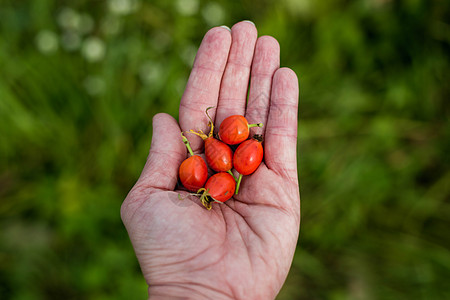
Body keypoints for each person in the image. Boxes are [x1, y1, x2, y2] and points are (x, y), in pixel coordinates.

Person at [120, 21, 300, 299]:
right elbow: (225, 167)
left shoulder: (226, 165)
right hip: (223, 171)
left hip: (223, 170)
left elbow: (225, 168)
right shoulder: (226, 166)